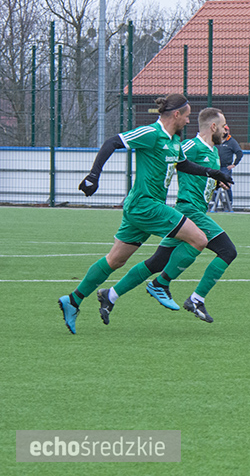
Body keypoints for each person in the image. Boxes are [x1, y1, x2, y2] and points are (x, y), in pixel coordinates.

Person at [57, 94, 232, 334]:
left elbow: (183, 165)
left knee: (115, 260)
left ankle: (73, 300)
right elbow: (112, 142)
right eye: (188, 116)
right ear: (176, 114)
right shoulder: (151, 133)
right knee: (199, 239)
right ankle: (161, 284)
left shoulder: (172, 141)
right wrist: (93, 175)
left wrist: (213, 174)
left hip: (142, 208)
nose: (189, 121)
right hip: (146, 205)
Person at [96, 108, 237, 324]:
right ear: (213, 127)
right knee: (227, 251)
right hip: (189, 211)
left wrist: (216, 181)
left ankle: (111, 295)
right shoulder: (191, 145)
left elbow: (198, 172)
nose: (226, 130)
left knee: (157, 262)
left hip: (190, 213)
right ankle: (194, 298)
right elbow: (174, 160)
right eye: (224, 124)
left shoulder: (213, 151)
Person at [212, 123, 243, 211]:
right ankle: (214, 205)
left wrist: (234, 164)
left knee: (226, 185)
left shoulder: (232, 142)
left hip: (225, 168)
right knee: (214, 186)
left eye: (225, 130)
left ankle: (229, 204)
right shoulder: (216, 140)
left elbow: (239, 153)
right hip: (216, 167)